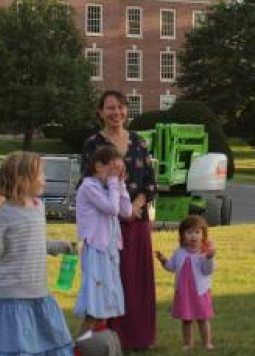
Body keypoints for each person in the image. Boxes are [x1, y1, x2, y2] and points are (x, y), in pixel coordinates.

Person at [0, 152, 74, 356]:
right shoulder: (2, 212)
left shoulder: (39, 207)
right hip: (13, 296)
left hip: (40, 292)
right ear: (22, 180)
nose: (44, 179)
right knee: (18, 350)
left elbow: (34, 243)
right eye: (40, 174)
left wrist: (58, 245)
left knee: (47, 345)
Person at [82, 89, 158, 351]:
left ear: (127, 110)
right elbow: (89, 182)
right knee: (114, 278)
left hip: (138, 222)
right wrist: (120, 207)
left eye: (121, 107)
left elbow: (150, 182)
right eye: (110, 108)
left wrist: (136, 205)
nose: (116, 113)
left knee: (138, 279)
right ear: (100, 112)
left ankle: (140, 337)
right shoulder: (93, 143)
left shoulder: (139, 142)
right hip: (108, 224)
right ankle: (111, 336)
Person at [75, 145, 132, 335]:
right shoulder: (89, 186)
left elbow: (127, 211)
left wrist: (121, 184)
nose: (115, 173)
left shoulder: (109, 186)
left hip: (110, 249)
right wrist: (115, 182)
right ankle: (81, 346)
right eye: (113, 168)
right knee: (95, 304)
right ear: (99, 166)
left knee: (106, 301)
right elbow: (112, 209)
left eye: (119, 169)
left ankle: (95, 344)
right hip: (96, 249)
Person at [156, 215, 217, 351]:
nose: (193, 236)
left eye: (197, 232)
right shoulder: (179, 252)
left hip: (200, 292)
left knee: (203, 318)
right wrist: (163, 260)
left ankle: (207, 343)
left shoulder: (204, 253)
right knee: (186, 319)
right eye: (189, 232)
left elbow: (208, 271)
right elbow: (172, 267)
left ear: (203, 235)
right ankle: (187, 344)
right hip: (184, 293)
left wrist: (209, 258)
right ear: (183, 235)